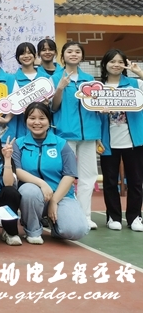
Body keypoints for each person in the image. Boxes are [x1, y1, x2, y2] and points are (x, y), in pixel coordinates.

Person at [13, 102, 89, 244]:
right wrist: (42, 184)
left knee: (76, 230)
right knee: (28, 191)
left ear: (49, 121)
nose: (37, 122)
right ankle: (33, 230)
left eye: (42, 118)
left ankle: (55, 225)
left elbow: (69, 175)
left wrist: (54, 200)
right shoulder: (18, 144)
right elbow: (17, 171)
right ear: (26, 120)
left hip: (61, 196)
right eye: (32, 118)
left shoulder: (61, 144)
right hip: (33, 195)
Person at [51, 41, 101, 230]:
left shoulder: (90, 79)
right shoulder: (55, 78)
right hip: (65, 133)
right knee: (66, 176)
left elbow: (95, 105)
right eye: (69, 51)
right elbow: (53, 107)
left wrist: (103, 108)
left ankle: (85, 215)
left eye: (77, 52)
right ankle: (65, 215)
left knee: (89, 176)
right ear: (63, 56)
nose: (73, 54)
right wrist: (60, 88)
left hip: (89, 133)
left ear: (82, 56)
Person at [98, 49, 143, 232]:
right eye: (112, 61)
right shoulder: (98, 87)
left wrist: (139, 72)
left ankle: (135, 217)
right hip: (107, 142)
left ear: (125, 64)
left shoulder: (135, 84)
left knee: (136, 181)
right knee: (109, 181)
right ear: (105, 64)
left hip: (134, 141)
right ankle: (113, 217)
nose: (116, 65)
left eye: (119, 61)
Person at [13, 42, 40, 138]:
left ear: (35, 55)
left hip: (42, 128)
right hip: (21, 128)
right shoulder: (12, 79)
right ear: (17, 57)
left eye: (29, 53)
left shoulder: (46, 78)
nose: (26, 56)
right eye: (22, 53)